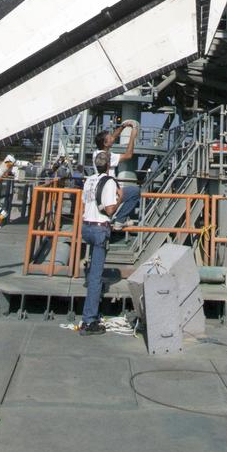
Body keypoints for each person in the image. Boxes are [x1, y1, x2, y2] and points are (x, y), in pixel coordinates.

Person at [79, 151, 120, 334]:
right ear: (109, 164)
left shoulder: (89, 180)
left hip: (86, 227)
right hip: (99, 229)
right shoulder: (110, 182)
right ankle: (89, 321)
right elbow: (110, 209)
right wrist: (121, 200)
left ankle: (90, 312)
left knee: (93, 276)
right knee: (96, 278)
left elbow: (84, 203)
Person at [92, 120, 140, 225]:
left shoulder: (97, 152)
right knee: (135, 191)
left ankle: (118, 218)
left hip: (100, 188)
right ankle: (120, 220)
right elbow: (128, 155)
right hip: (110, 190)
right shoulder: (108, 156)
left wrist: (123, 127)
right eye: (109, 138)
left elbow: (113, 137)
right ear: (105, 143)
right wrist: (132, 136)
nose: (112, 138)